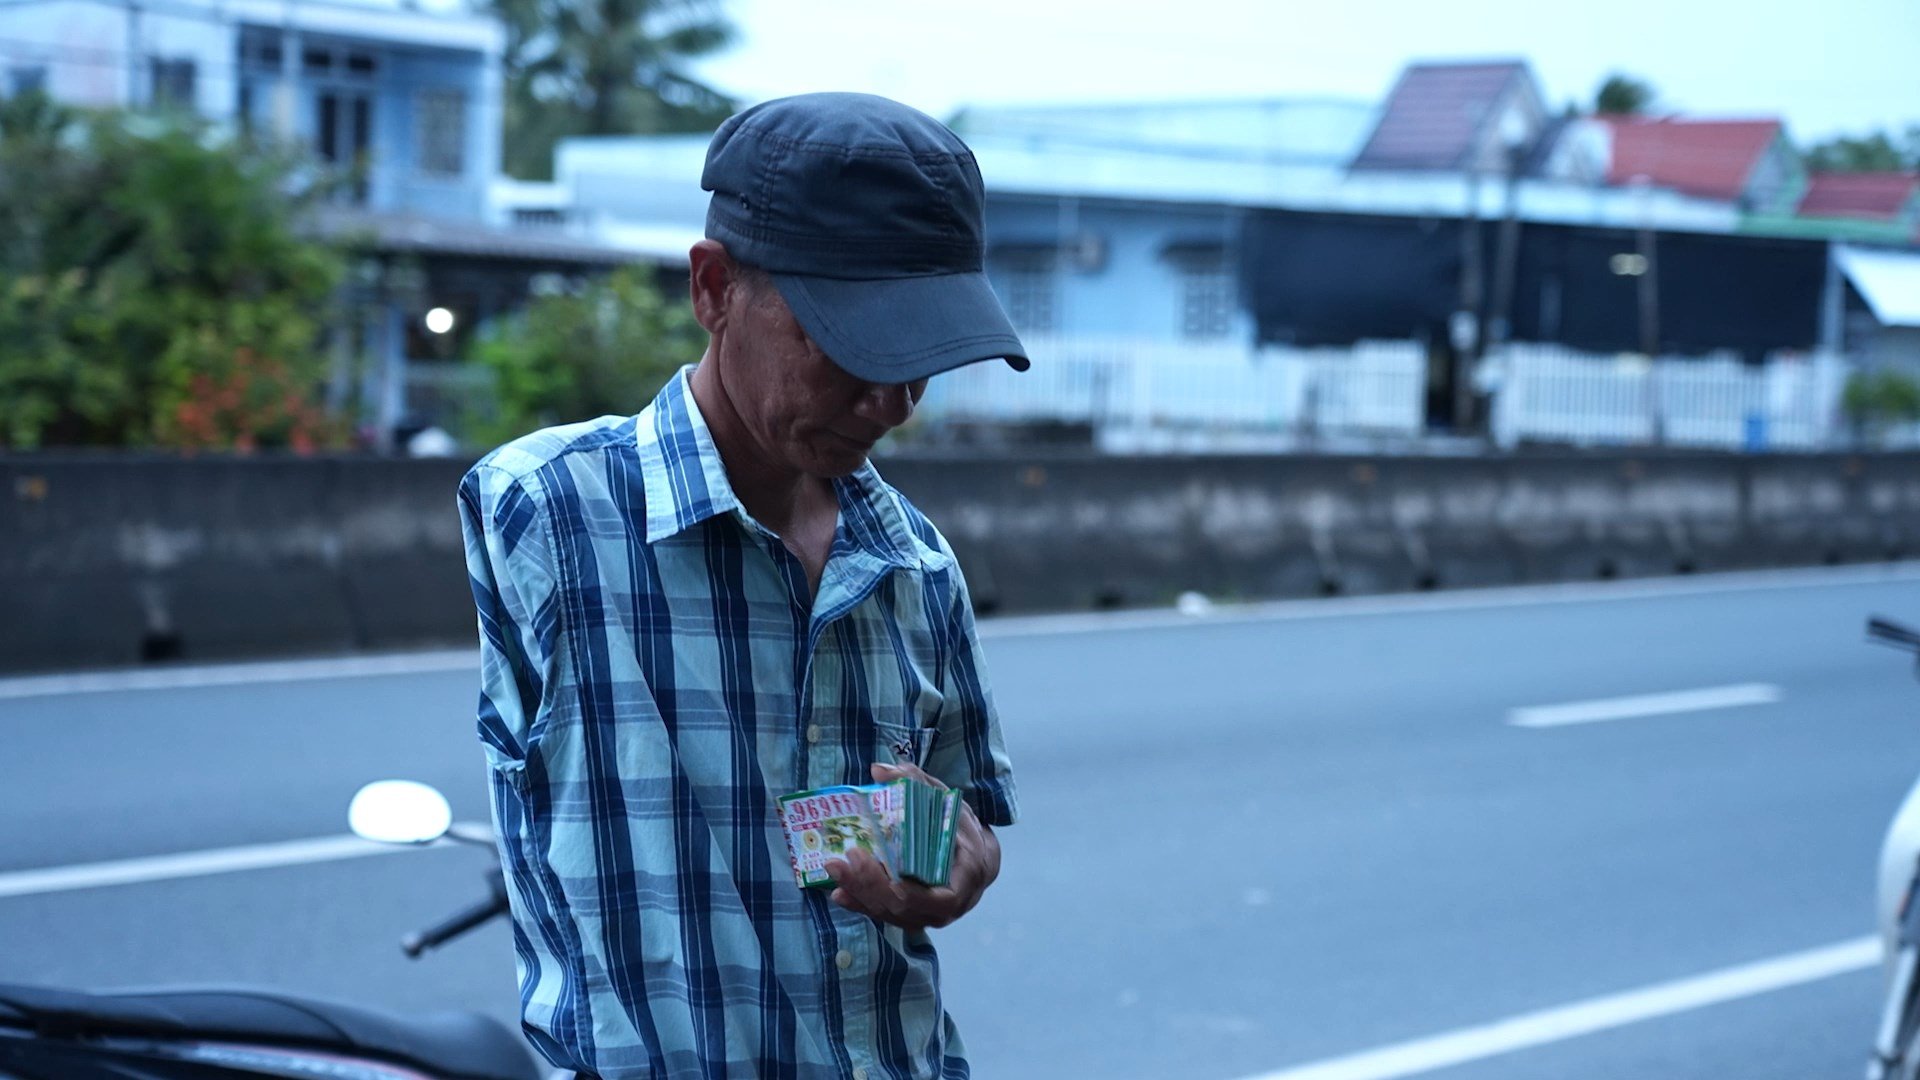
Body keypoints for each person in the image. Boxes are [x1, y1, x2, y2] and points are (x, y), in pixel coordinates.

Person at [457, 92, 1027, 1080]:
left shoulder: (917, 568)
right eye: (852, 347)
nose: (888, 403)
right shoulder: (547, 513)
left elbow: (943, 816)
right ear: (715, 288)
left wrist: (956, 867)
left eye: (920, 360)